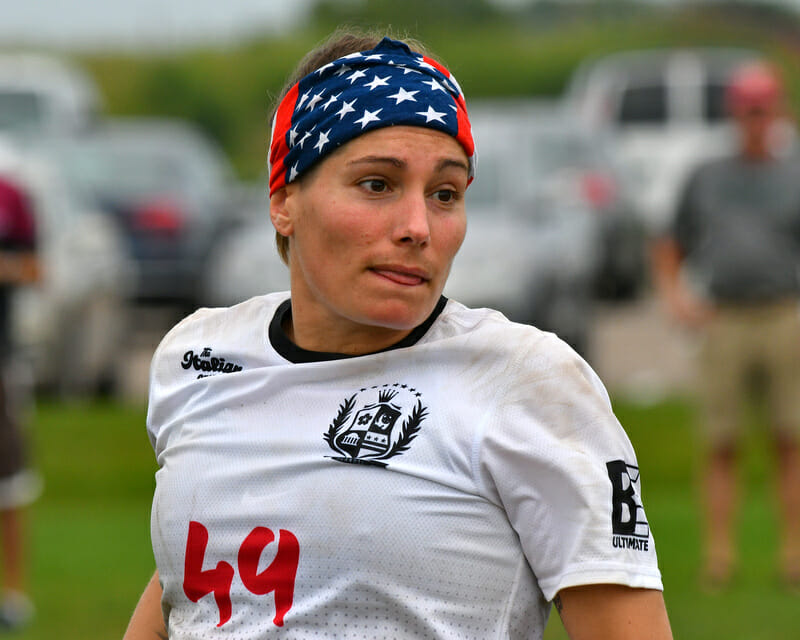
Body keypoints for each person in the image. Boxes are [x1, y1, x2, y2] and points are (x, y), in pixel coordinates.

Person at [124, 29, 673, 639]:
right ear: (284, 200)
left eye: (445, 193)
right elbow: (192, 581)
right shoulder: (197, 356)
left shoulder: (526, 380)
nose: (417, 227)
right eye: (377, 184)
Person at [651, 61, 800, 590]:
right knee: (721, 441)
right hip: (724, 316)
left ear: (777, 110)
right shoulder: (707, 175)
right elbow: (670, 241)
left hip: (785, 314)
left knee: (790, 438)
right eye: (746, 108)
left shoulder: (794, 172)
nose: (755, 118)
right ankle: (719, 556)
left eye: (763, 108)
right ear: (735, 112)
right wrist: (675, 297)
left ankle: (792, 555)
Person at [0, 139, 40, 630]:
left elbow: (35, 267)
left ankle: (14, 594)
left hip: (2, 360)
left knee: (9, 482)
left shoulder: (11, 193)